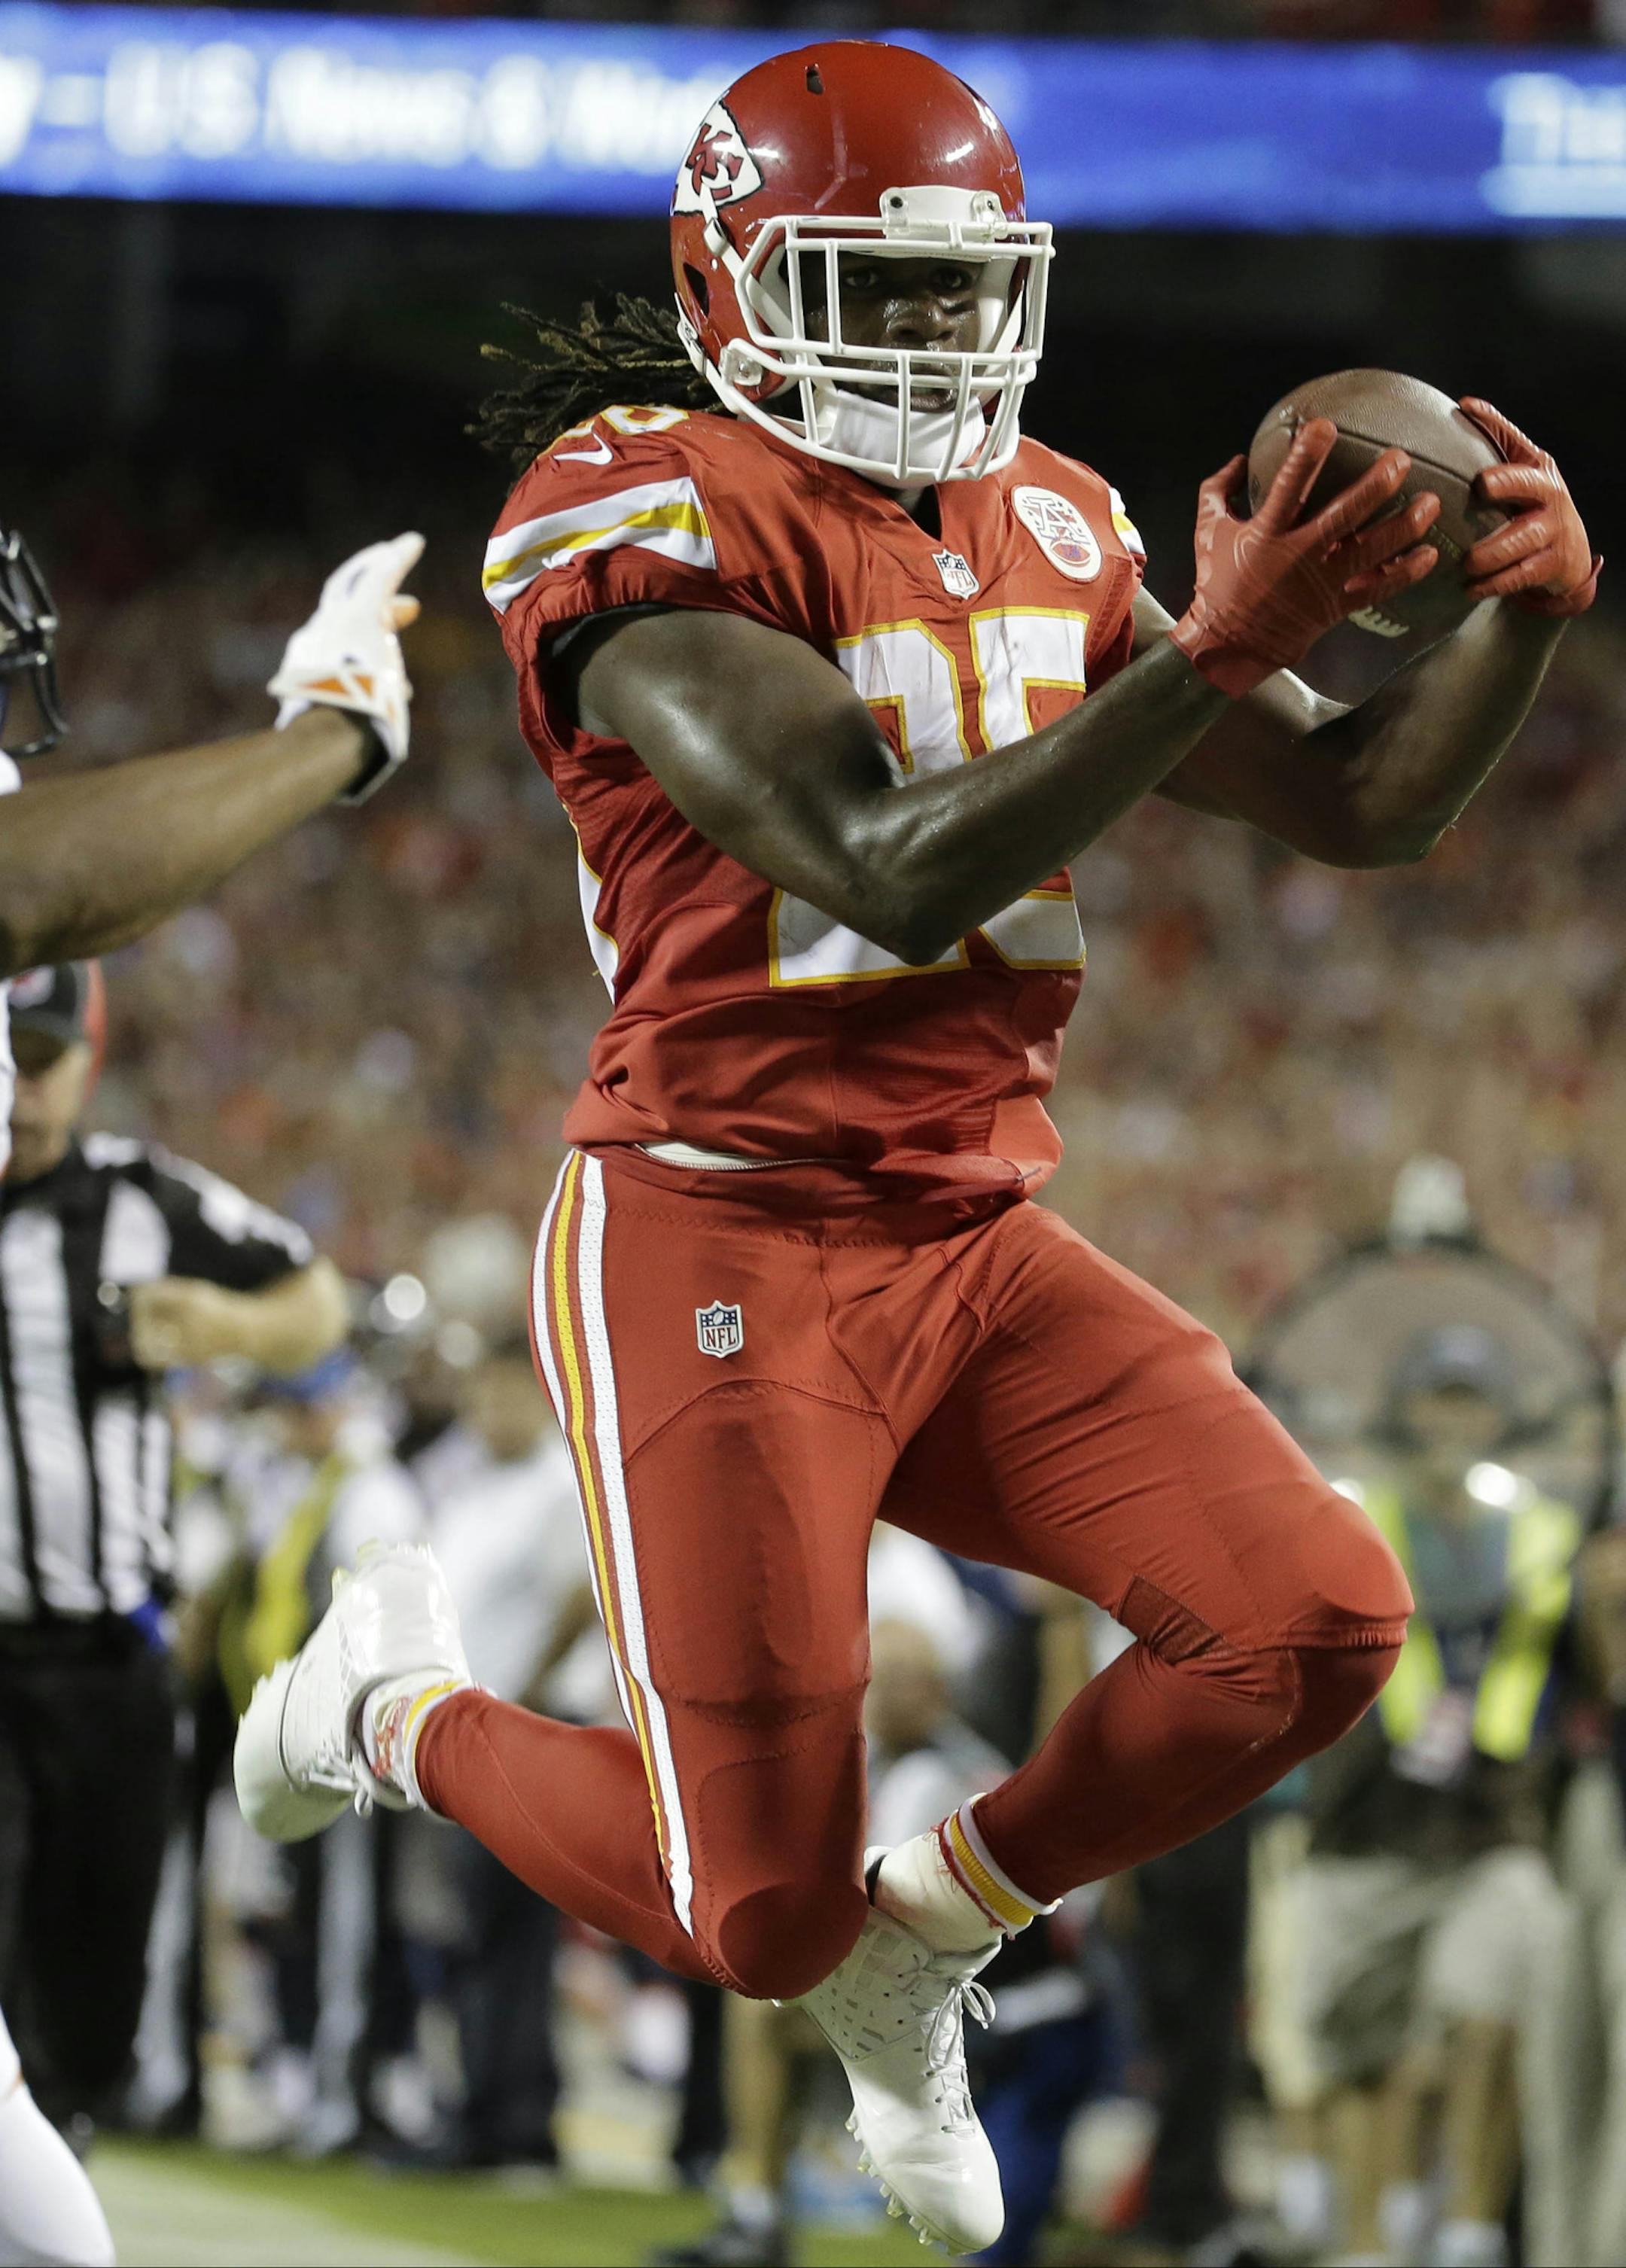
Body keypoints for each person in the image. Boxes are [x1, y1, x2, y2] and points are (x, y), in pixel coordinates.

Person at [236, 41, 1596, 2257]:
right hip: (719, 1217)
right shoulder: (629, 495)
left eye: (975, 293)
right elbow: (876, 859)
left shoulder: (1056, 517)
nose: (944, 340)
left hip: (971, 1232)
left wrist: (1529, 617)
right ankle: (385, 1707)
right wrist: (1207, 658)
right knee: (749, 1911)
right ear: (729, 282)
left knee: (1318, 1616)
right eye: (880, 286)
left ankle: (935, 1928)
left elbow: (1361, 801)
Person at [0, 960, 348, 2174]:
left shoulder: (141, 1197)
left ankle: (56, 2189)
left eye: (37, 1057)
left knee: (89, 1995)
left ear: (86, 1060)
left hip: (106, 1662)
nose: (14, 1087)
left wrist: (223, 1329)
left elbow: (318, 1299)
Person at [1296, 1327, 1580, 2268]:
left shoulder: (1546, 1534)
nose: (1453, 1422)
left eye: (1471, 1400)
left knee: (1494, 2002)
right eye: (1437, 1399)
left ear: (1499, 1415)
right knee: (1364, 2057)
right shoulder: (1347, 1518)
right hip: (1364, 1832)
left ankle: (1465, 2225)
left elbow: (1591, 1667)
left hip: (1491, 1832)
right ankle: (1366, 2242)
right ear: (1404, 1412)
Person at [420, 1336, 596, 2170]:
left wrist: (523, 1689)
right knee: (481, 1931)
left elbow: (582, 1595)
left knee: (509, 1932)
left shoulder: (559, 1485)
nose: (491, 1412)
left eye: (505, 1395)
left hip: (524, 1732)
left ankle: (511, 2120)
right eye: (482, 1396)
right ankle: (491, 2103)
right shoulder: (474, 1490)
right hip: (472, 1738)